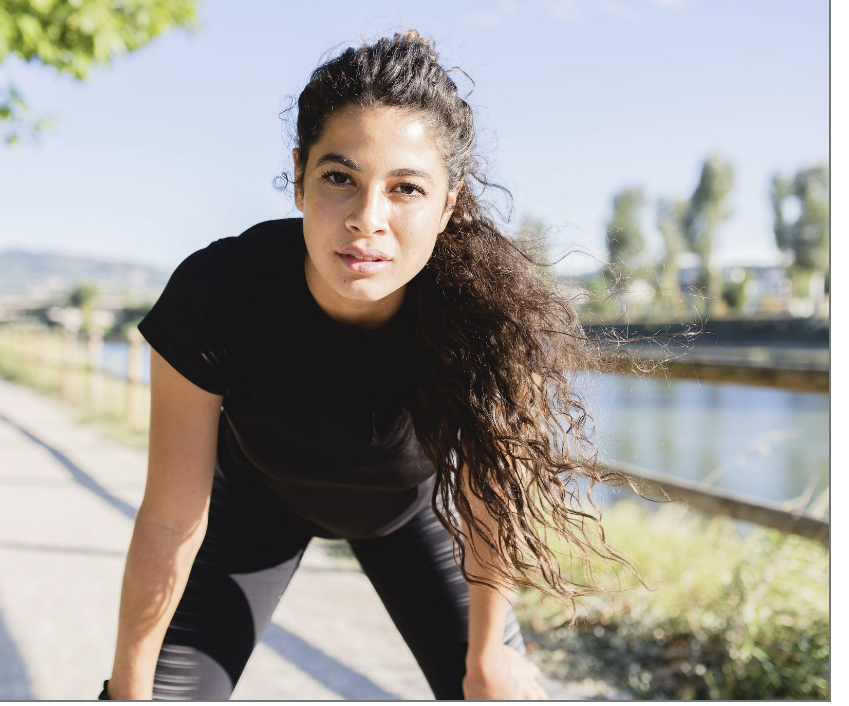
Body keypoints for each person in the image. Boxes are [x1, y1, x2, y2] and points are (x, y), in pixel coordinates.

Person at [99, 29, 644, 701]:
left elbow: (487, 499)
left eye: (406, 188)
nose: (367, 218)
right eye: (340, 178)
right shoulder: (216, 294)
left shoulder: (487, 321)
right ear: (299, 177)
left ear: (448, 204)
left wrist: (487, 657)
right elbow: (169, 518)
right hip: (253, 510)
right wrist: (128, 689)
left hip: (408, 517)